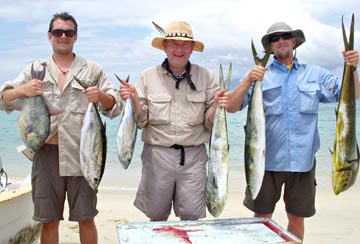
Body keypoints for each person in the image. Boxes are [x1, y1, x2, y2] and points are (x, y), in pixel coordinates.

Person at [221, 22, 359, 241]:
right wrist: (249, 78)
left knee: (297, 218)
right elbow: (232, 107)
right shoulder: (260, 75)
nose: (281, 41)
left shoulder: (316, 74)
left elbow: (352, 95)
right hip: (265, 164)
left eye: (285, 36)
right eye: (275, 39)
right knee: (262, 218)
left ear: (294, 41)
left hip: (303, 163)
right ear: (270, 47)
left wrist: (351, 68)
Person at [0, 12, 122, 243]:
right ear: (49, 36)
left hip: (83, 155)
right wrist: (21, 91)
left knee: (86, 218)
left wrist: (101, 96)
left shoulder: (92, 69)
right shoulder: (35, 68)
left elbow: (116, 106)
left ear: (76, 37)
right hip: (45, 154)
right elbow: (3, 99)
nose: (63, 36)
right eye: (58, 32)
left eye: (69, 32)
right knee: (48, 220)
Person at [119, 21, 224, 221]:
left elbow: (210, 124)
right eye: (174, 44)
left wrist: (217, 106)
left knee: (192, 217)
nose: (179, 49)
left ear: (192, 49)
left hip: (193, 157)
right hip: (157, 156)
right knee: (156, 216)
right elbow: (141, 121)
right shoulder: (147, 76)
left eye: (184, 44)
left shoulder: (206, 76)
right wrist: (133, 97)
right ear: (165, 47)